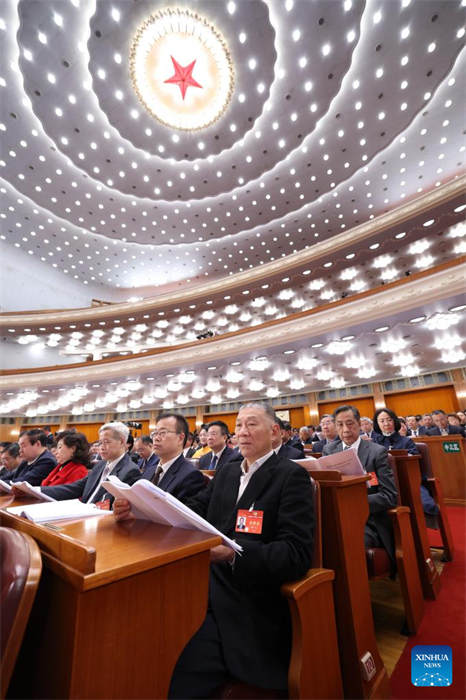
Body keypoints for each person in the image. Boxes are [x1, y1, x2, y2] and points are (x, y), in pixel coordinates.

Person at [115, 403, 314, 697]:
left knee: (179, 664)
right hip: (201, 582)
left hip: (244, 600)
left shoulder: (290, 476)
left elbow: (295, 553)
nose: (242, 432)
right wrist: (142, 511)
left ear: (274, 432)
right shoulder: (228, 472)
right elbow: (193, 511)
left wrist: (234, 554)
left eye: (252, 425)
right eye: (239, 425)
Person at [323, 405, 398, 567]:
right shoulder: (329, 450)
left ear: (358, 424)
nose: (345, 429)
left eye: (349, 423)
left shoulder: (376, 452)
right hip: (336, 516)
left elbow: (389, 496)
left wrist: (355, 503)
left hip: (368, 520)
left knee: (347, 542)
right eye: (340, 425)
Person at [41, 422, 140, 505]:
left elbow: (112, 507)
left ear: (122, 442)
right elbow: (76, 488)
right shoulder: (100, 465)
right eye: (100, 442)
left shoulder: (130, 471)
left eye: (106, 442)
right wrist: (38, 490)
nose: (101, 447)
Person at [116, 413, 205, 500]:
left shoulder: (191, 476)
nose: (156, 438)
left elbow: (181, 514)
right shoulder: (149, 471)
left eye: (162, 433)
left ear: (180, 438)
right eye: (155, 433)